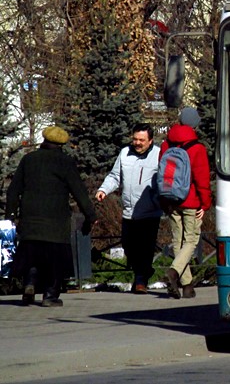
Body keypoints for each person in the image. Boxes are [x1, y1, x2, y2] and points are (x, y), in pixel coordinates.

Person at [4, 125, 96, 307]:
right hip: (56, 222)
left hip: (30, 219)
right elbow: (79, 192)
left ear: (44, 140)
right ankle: (50, 295)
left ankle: (29, 285)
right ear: (61, 144)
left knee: (31, 255)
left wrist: (11, 215)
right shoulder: (65, 162)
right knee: (55, 260)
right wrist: (90, 215)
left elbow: (13, 190)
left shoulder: (29, 159)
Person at [95, 123, 162, 294]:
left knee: (145, 248)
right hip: (129, 211)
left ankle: (141, 281)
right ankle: (144, 272)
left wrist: (158, 200)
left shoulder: (159, 154)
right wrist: (104, 190)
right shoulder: (125, 153)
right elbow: (115, 176)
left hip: (150, 211)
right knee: (128, 246)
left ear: (150, 141)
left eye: (142, 140)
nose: (137, 143)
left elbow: (164, 179)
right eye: (135, 139)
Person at [160, 111, 212, 300]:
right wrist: (205, 204)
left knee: (178, 241)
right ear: (195, 125)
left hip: (171, 199)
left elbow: (162, 173)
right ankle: (173, 272)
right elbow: (202, 179)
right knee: (190, 241)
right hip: (190, 201)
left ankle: (187, 286)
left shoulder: (166, 144)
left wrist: (164, 200)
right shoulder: (197, 148)